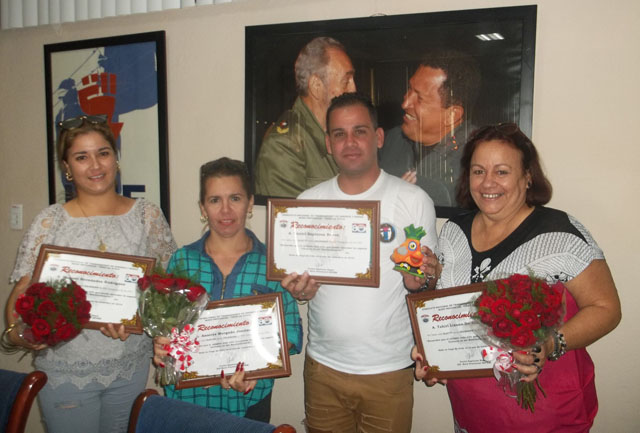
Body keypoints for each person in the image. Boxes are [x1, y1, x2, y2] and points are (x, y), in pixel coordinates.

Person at [414, 123, 621, 432]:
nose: (488, 182)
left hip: (546, 417)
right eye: (478, 171)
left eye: (502, 171)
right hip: (471, 414)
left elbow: (607, 309)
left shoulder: (560, 234)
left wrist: (550, 344)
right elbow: (452, 306)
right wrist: (432, 353)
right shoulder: (453, 231)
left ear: (527, 177)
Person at [2, 114, 177, 433]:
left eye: (103, 153)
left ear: (116, 157)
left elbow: (166, 290)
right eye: (81, 157)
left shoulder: (147, 215)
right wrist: (27, 336)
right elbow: (19, 304)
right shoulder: (50, 222)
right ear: (66, 167)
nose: (95, 165)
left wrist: (142, 321)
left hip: (129, 367)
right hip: (67, 370)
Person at [282, 93, 438, 433]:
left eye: (360, 131)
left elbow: (424, 285)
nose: (349, 142)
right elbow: (301, 286)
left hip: (388, 371)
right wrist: (301, 291)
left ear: (378, 137)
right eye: (339, 134)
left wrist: (422, 280)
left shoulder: (413, 200)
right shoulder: (307, 204)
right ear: (328, 143)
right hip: (323, 368)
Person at [153, 157, 302, 422]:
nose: (225, 210)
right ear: (203, 207)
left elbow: (290, 331)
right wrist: (161, 346)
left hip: (249, 400)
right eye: (214, 200)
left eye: (235, 198)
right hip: (187, 399)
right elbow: (165, 328)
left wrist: (257, 368)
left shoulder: (273, 264)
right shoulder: (182, 261)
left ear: (250, 203)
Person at [255, 36, 356, 198]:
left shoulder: (333, 133)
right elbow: (291, 214)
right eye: (346, 81)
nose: (353, 89)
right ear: (316, 86)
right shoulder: (284, 145)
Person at [379, 49, 481, 207]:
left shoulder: (476, 158)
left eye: (419, 98)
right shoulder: (389, 141)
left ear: (452, 115)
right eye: (409, 89)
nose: (405, 103)